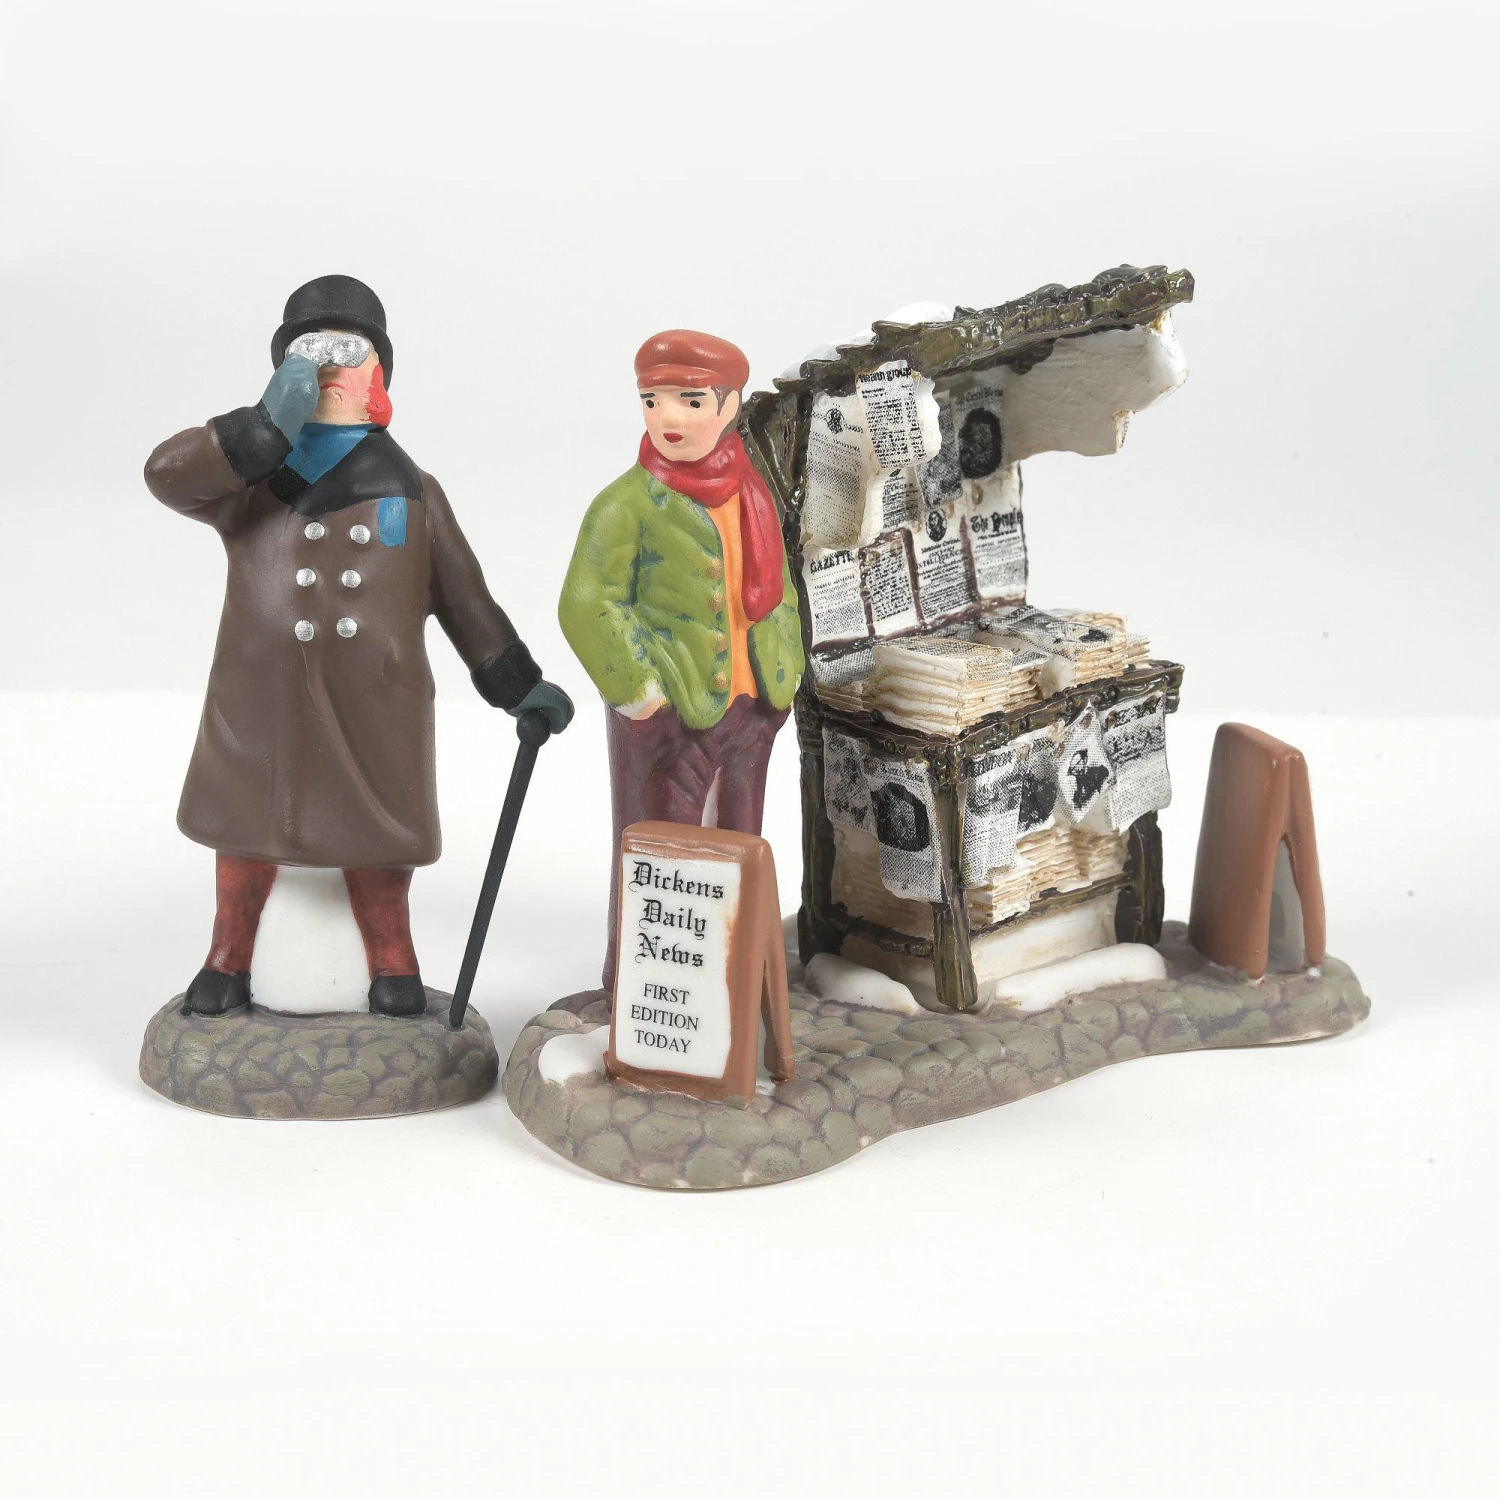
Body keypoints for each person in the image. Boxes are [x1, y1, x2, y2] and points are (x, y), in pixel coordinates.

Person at [146, 274, 572, 1017]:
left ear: (380, 374)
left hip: (375, 699)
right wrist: (257, 431)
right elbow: (165, 476)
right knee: (246, 826)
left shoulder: (413, 488)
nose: (331, 372)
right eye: (309, 357)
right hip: (262, 694)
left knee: (377, 838)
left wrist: (515, 684)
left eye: (349, 354)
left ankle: (392, 960)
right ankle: (227, 955)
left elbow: (464, 599)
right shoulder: (252, 482)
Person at [558, 330, 804, 989]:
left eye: (690, 401)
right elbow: (587, 604)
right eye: (652, 400)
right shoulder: (626, 505)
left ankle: (733, 982)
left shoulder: (753, 494)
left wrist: (784, 673)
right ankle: (648, 994)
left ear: (730, 405)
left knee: (740, 848)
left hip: (752, 707)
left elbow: (779, 591)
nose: (667, 417)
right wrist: (644, 696)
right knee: (660, 859)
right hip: (673, 717)